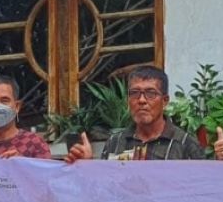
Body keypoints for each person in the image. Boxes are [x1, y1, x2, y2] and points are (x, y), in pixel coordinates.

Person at [65, 66, 202, 162]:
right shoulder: (115, 142)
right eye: (135, 93)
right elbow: (104, 189)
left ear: (165, 101)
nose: (141, 100)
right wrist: (87, 166)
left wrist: (220, 161)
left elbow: (201, 190)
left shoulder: (185, 144)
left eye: (150, 93)